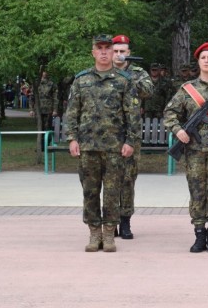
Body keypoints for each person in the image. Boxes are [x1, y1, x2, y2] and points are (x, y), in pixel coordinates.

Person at [66, 34, 141, 253]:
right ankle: (94, 234)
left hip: (114, 147)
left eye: (108, 48)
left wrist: (131, 142)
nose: (104, 52)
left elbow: (133, 115)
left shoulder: (124, 81)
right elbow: (72, 112)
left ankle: (109, 235)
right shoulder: (81, 80)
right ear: (93, 52)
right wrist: (72, 138)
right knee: (90, 192)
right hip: (88, 147)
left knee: (111, 193)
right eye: (100, 48)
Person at [163, 41, 208, 253]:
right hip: (193, 150)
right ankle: (198, 234)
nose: (206, 61)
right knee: (196, 193)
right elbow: (169, 114)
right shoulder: (187, 89)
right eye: (203, 58)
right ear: (198, 62)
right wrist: (178, 131)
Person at [112, 34, 154, 239]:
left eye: (123, 52)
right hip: (107, 134)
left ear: (129, 54)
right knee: (109, 179)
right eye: (116, 51)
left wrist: (127, 77)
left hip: (130, 134)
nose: (119, 55)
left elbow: (148, 91)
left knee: (128, 179)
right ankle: (110, 222)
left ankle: (125, 221)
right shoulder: (103, 72)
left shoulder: (138, 73)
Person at [29, 71, 59, 136]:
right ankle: (40, 144)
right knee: (39, 127)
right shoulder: (36, 83)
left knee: (48, 127)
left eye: (46, 71)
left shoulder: (52, 84)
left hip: (49, 109)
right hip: (38, 109)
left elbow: (55, 98)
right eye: (43, 71)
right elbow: (32, 97)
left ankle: (47, 144)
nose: (44, 73)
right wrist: (31, 109)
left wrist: (55, 110)